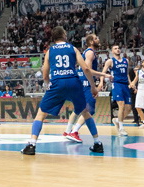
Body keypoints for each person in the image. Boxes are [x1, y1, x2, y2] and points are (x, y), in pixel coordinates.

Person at [22, 26, 107, 155]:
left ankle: (32, 145)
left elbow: (45, 74)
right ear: (64, 35)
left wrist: (49, 84)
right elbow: (86, 69)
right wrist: (93, 87)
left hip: (57, 82)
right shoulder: (72, 48)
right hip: (73, 82)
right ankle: (97, 143)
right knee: (85, 112)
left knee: (41, 114)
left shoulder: (50, 51)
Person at [64, 34, 100, 142]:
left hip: (80, 82)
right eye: (96, 38)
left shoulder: (86, 52)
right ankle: (74, 132)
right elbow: (87, 69)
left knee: (78, 109)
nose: (98, 39)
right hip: (85, 83)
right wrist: (103, 75)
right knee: (89, 110)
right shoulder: (90, 53)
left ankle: (67, 131)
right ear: (91, 42)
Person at [102, 43, 133, 136]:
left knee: (129, 108)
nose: (118, 49)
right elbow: (103, 72)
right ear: (112, 51)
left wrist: (130, 83)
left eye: (118, 48)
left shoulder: (126, 60)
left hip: (125, 85)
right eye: (115, 48)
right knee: (121, 105)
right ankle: (121, 128)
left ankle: (117, 120)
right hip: (117, 84)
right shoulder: (110, 61)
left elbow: (127, 74)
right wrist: (101, 82)